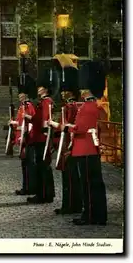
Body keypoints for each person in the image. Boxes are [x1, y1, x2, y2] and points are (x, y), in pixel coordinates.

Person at [67, 61, 107, 226]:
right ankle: (97, 215)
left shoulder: (88, 107)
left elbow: (80, 128)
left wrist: (68, 128)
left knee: (88, 185)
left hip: (85, 150)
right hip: (89, 149)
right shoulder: (91, 106)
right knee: (94, 184)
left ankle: (90, 215)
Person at [49, 66, 83, 215]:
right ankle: (71, 204)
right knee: (70, 176)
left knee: (70, 177)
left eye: (65, 90)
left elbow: (68, 127)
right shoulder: (69, 106)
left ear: (70, 91)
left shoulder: (71, 107)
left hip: (70, 145)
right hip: (67, 144)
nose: (62, 93)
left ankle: (71, 205)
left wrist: (54, 124)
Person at [27, 68, 56, 204]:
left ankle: (45, 194)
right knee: (41, 167)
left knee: (43, 167)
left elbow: (44, 119)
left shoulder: (46, 102)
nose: (38, 89)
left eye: (40, 87)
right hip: (39, 137)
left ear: (45, 89)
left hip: (42, 138)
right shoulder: (42, 102)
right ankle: (44, 193)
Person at [11, 73, 37, 196]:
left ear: (25, 94)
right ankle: (25, 187)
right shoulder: (22, 107)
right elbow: (20, 122)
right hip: (22, 138)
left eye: (21, 94)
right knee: (24, 165)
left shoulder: (29, 106)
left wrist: (24, 135)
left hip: (27, 139)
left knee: (28, 165)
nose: (19, 96)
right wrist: (13, 123)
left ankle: (29, 187)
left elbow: (32, 121)